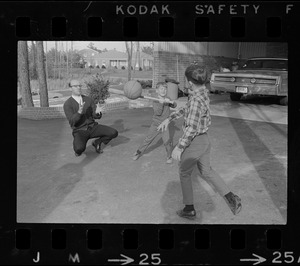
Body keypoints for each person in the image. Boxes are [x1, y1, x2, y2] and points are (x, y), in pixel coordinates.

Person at [157, 63, 242, 219]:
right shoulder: (201, 93)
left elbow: (192, 128)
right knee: (207, 171)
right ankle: (232, 198)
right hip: (204, 140)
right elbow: (186, 110)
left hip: (195, 142)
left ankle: (189, 209)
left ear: (189, 82)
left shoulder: (195, 99)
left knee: (184, 173)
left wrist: (180, 147)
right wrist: (169, 119)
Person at [63, 79, 118, 156]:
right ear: (70, 88)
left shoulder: (88, 99)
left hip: (93, 127)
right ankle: (78, 147)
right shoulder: (68, 104)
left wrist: (97, 113)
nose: (78, 88)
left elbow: (95, 116)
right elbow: (72, 122)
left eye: (80, 86)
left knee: (113, 132)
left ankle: (97, 142)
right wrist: (79, 112)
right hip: (80, 130)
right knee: (79, 149)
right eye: (75, 86)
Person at [132, 82, 177, 164]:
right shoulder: (156, 101)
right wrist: (161, 103)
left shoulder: (167, 98)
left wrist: (173, 102)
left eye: (165, 89)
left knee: (167, 141)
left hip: (165, 124)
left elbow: (174, 106)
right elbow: (158, 113)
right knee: (148, 139)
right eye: (161, 89)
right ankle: (138, 152)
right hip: (156, 124)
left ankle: (169, 156)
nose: (164, 91)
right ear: (157, 91)